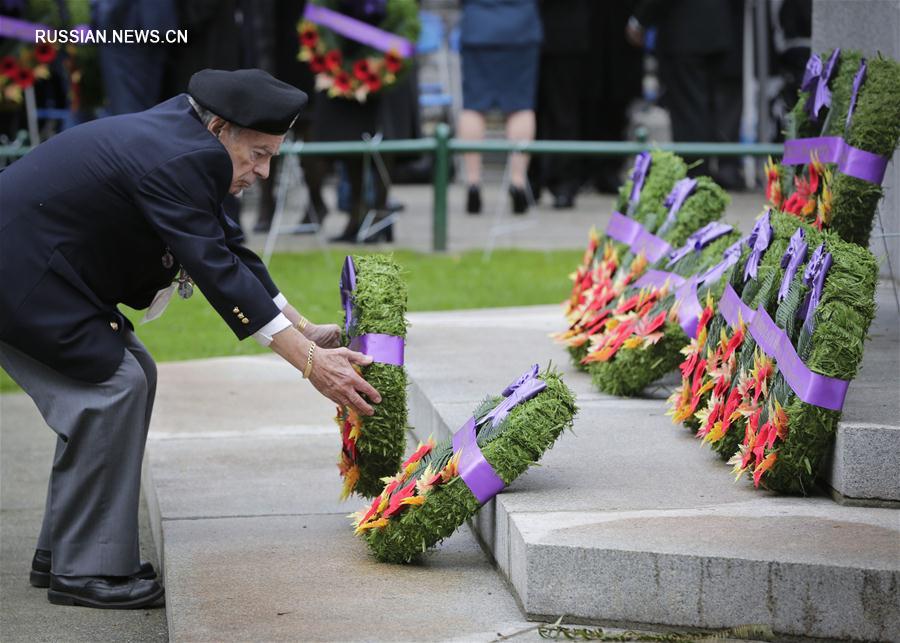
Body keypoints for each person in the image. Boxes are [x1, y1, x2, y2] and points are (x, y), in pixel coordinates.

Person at [0, 68, 382, 610]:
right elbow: (215, 270)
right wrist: (311, 363)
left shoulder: (188, 140)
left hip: (35, 272)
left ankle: (69, 553)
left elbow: (229, 250)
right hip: (22, 275)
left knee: (125, 377)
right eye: (257, 153)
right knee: (111, 387)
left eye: (273, 155)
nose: (264, 171)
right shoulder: (184, 156)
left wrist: (306, 330)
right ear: (220, 128)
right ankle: (88, 572)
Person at [627, 0, 745, 189]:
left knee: (690, 111)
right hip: (717, 29)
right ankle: (710, 173)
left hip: (684, 32)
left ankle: (695, 177)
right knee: (708, 108)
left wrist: (640, 19)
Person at [457, 0, 542, 215]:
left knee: (473, 107)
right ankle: (518, 183)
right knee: (520, 107)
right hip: (520, 27)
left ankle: (473, 183)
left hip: (478, 25)